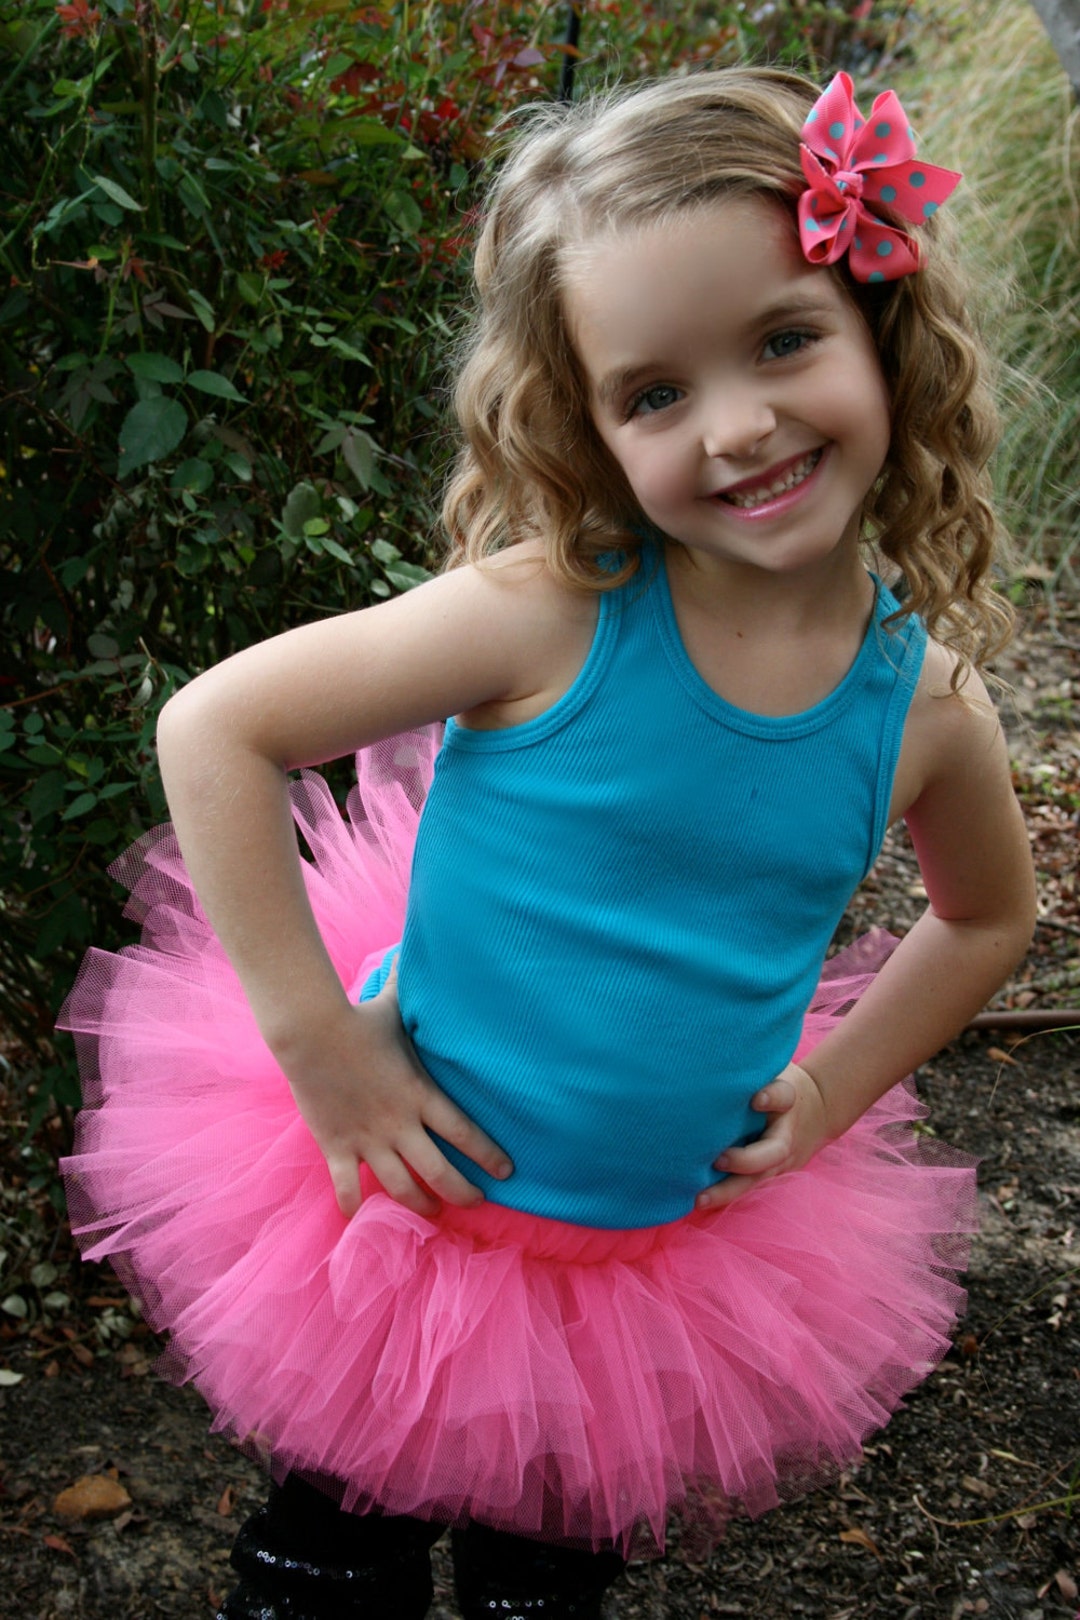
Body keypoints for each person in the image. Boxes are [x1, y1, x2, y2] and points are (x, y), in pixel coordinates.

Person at [61, 66, 1037, 1620]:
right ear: (585, 423)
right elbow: (216, 730)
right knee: (331, 1566)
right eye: (656, 393)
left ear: (883, 332)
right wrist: (321, 1043)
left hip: (651, 1268)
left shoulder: (921, 706)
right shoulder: (555, 611)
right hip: (410, 1227)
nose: (740, 427)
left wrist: (837, 1087)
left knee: (545, 1582)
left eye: (785, 340)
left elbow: (989, 916)